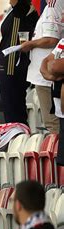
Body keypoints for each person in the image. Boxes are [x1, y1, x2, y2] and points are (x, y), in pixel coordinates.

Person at [22, 0, 64, 133]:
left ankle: (58, 152)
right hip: (45, 73)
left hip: (48, 77)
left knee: (53, 124)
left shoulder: (53, 5)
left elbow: (52, 39)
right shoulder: (50, 6)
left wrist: (30, 44)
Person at [0, 0, 39, 124]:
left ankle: (18, 138)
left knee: (14, 114)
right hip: (7, 66)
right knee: (12, 112)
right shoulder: (16, 11)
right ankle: (16, 139)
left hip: (12, 67)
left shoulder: (22, 9)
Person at [41, 38, 64, 167]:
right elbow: (45, 62)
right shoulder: (63, 41)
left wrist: (52, 67)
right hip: (60, 110)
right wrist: (51, 75)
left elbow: (53, 66)